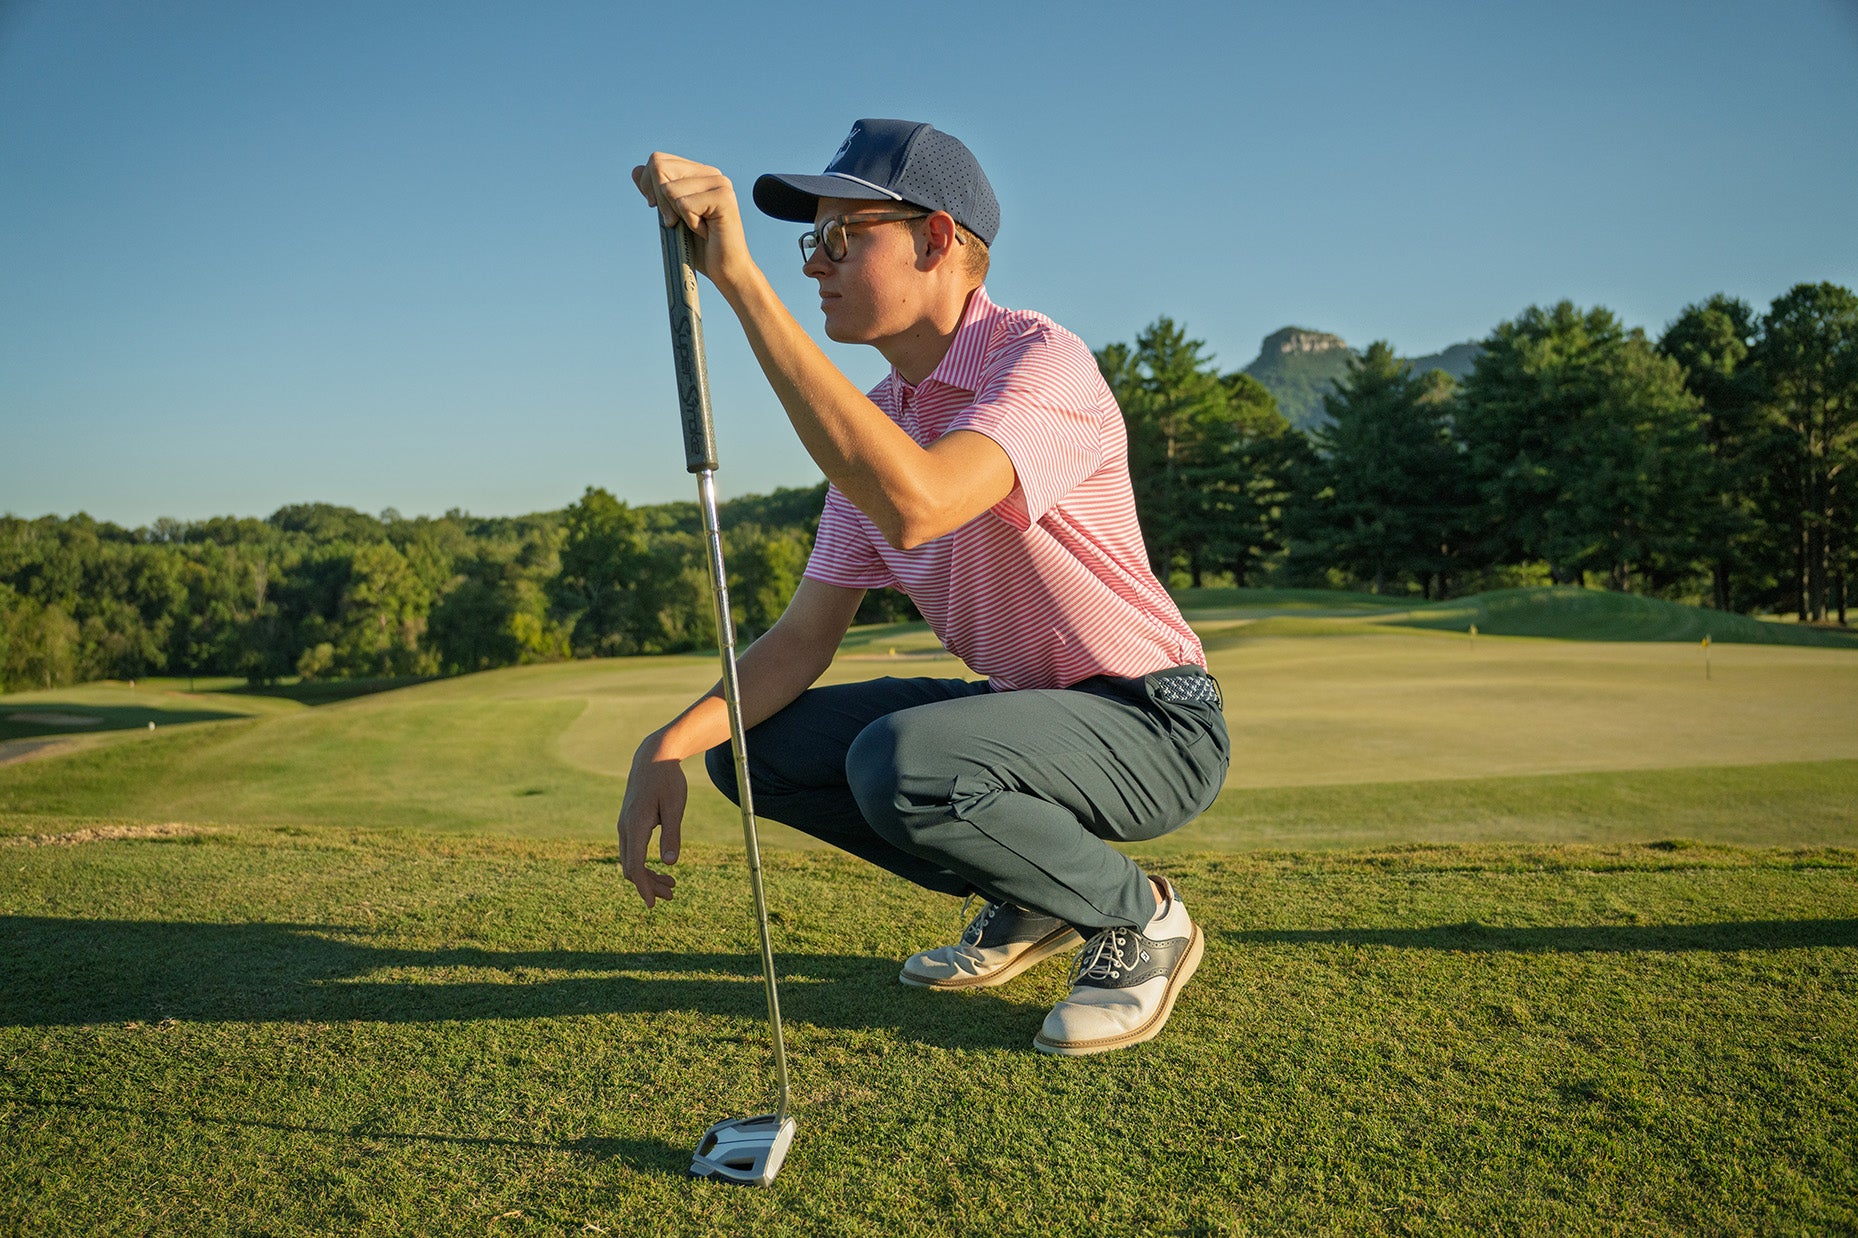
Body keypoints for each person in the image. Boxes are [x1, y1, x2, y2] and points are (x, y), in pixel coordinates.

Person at [623, 119, 1229, 1056]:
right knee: (750, 751)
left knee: (904, 762)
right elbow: (801, 642)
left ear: (937, 239)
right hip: (1028, 719)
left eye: (840, 236)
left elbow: (922, 503)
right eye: (809, 241)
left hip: (1155, 722)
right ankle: (1036, 893)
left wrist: (740, 283)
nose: (813, 263)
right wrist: (665, 743)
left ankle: (1138, 916)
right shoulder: (876, 424)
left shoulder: (1041, 363)